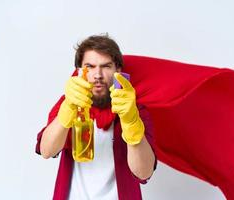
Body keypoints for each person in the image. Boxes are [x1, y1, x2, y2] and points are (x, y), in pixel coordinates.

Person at [36, 34, 157, 200]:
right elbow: (47, 151)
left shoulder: (135, 111)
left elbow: (144, 172)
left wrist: (131, 122)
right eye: (90, 66)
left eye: (106, 66)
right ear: (79, 71)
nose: (98, 74)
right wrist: (68, 109)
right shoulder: (67, 103)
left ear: (118, 71)